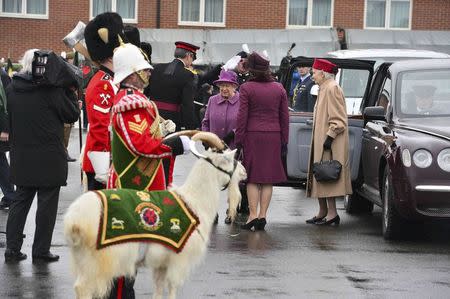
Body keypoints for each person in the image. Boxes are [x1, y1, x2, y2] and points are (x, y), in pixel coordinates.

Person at [106, 42, 188, 299]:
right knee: (125, 257)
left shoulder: (137, 100)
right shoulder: (129, 104)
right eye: (144, 69)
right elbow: (140, 144)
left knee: (133, 253)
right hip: (131, 186)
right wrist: (174, 145)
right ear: (132, 74)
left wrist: (163, 129)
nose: (150, 72)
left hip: (137, 185)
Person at [4, 49, 80, 262]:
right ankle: (40, 250)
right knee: (46, 207)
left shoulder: (12, 88)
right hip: (49, 157)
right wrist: (70, 92)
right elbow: (72, 114)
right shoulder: (52, 91)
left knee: (20, 202)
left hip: (22, 155)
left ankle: (12, 248)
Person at [235, 52, 289, 231]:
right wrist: (284, 140)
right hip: (274, 135)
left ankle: (252, 215)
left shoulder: (247, 88)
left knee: (252, 177)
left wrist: (239, 139)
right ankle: (263, 215)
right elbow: (284, 117)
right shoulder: (279, 88)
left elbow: (242, 116)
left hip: (253, 135)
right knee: (267, 179)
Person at [81, 12, 126, 191]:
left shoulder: (112, 80)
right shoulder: (103, 84)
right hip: (101, 162)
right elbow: (101, 127)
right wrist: (104, 166)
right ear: (111, 54)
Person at [305, 58, 352, 226]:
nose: (312, 75)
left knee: (328, 176)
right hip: (324, 140)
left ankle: (332, 214)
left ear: (323, 73)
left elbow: (339, 120)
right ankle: (323, 211)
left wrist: (329, 137)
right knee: (321, 174)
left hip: (330, 141)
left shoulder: (332, 89)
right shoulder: (324, 88)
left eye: (314, 72)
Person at [202, 70, 240, 224]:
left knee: (233, 181)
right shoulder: (212, 100)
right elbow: (205, 121)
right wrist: (205, 137)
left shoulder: (242, 101)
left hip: (234, 147)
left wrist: (233, 134)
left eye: (228, 85)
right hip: (214, 148)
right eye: (222, 85)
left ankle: (232, 211)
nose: (224, 89)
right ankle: (213, 212)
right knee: (213, 181)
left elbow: (244, 122)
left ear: (235, 87)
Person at [146, 41, 199, 131]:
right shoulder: (188, 75)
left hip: (152, 116)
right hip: (172, 121)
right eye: (192, 58)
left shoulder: (156, 68)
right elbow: (187, 105)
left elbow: (146, 93)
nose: (191, 62)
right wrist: (191, 129)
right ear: (188, 56)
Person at [0, 74, 15, 210]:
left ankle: (10, 196)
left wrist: (5, 128)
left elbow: (6, 104)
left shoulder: (3, 76)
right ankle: (10, 195)